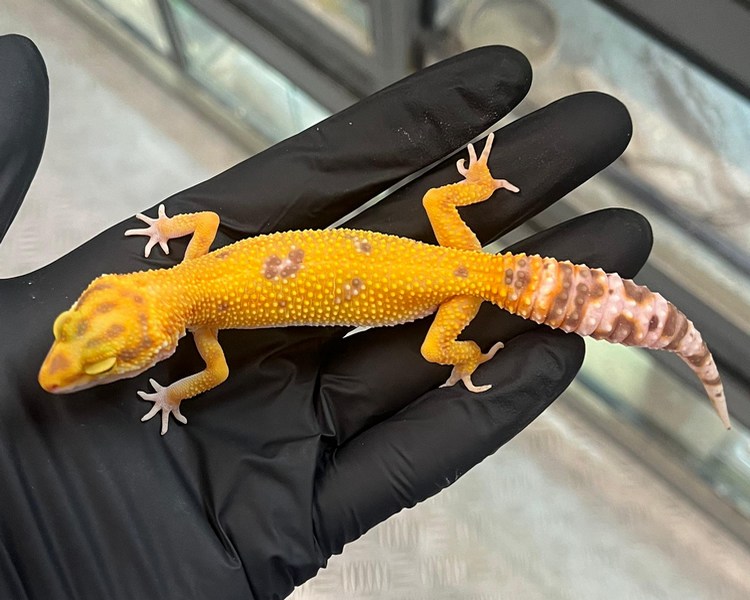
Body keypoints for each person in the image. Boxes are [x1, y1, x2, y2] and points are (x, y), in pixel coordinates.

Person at [0, 35, 650, 599]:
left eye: (100, 361)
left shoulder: (202, 326)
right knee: (436, 209)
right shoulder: (192, 268)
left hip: (462, 292)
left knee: (437, 354)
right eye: (96, 361)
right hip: (455, 259)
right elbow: (202, 222)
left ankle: (478, 353)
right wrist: (168, 226)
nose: (63, 371)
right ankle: (496, 234)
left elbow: (214, 374)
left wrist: (172, 392)